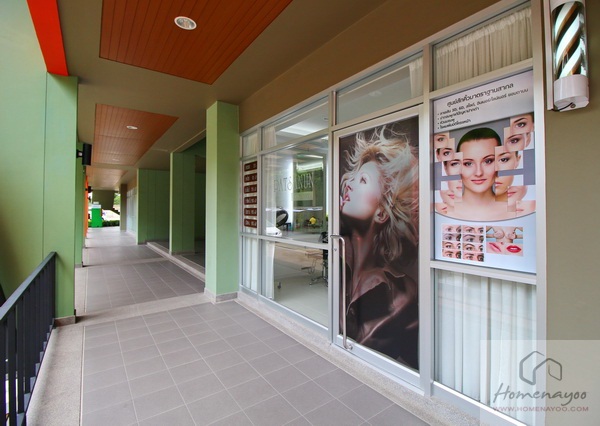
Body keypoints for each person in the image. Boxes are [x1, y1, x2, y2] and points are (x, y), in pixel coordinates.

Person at [339, 124, 419, 369]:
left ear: (382, 213)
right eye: (354, 176)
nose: (348, 183)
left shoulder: (399, 296)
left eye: (362, 180)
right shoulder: (339, 263)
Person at [452, 127, 508, 221]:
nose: (478, 173)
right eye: (468, 164)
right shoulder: (443, 211)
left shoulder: (517, 211)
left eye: (488, 161)